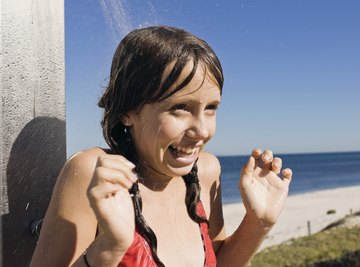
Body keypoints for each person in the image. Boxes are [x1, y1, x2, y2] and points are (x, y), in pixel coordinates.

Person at [30, 25, 292, 267]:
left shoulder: (206, 171)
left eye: (211, 108)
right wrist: (108, 249)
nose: (202, 130)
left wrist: (258, 223)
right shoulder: (92, 174)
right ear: (127, 111)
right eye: (179, 108)